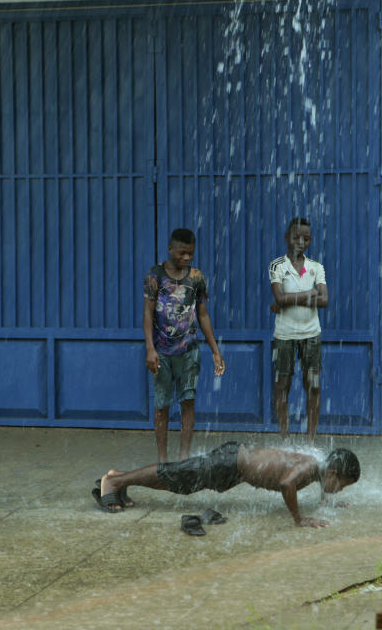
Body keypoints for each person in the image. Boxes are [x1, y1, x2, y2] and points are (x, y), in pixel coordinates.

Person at [92, 442, 360, 528]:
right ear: (333, 473)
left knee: (180, 481)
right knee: (177, 477)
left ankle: (120, 477)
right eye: (342, 486)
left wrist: (329, 500)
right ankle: (114, 481)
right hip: (230, 464)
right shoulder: (311, 467)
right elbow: (287, 484)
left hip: (234, 467)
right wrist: (299, 519)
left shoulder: (319, 467)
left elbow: (313, 483)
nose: (340, 489)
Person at [143, 228, 226, 463]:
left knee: (188, 402)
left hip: (189, 351)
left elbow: (203, 315)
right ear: (170, 250)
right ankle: (162, 459)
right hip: (161, 352)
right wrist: (150, 348)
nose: (186, 258)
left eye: (190, 253)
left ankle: (184, 457)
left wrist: (215, 350)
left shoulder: (196, 277)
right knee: (162, 405)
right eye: (181, 253)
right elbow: (147, 315)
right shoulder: (155, 276)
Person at [268, 218, 329, 439]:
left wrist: (286, 300)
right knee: (282, 384)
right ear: (287, 238)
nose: (301, 242)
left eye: (306, 238)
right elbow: (279, 297)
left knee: (313, 386)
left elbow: (324, 300)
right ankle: (285, 437)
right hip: (284, 336)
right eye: (296, 237)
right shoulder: (277, 266)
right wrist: (310, 294)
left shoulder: (316, 267)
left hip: (311, 334)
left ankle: (310, 439)